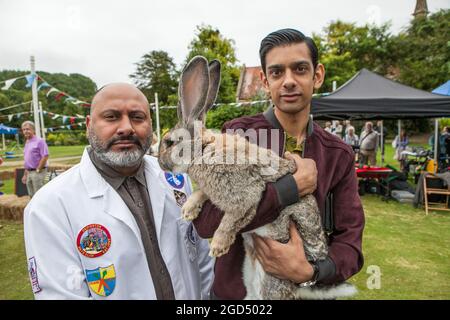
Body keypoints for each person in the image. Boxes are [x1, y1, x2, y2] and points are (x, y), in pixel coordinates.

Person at [193, 28, 364, 299]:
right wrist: (288, 188)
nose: (288, 81)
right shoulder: (236, 135)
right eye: (276, 72)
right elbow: (207, 225)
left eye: (299, 69)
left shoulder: (337, 154)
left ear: (317, 75)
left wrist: (311, 271)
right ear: (264, 80)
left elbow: (350, 242)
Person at [24, 83, 214, 299]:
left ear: (150, 125)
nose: (126, 128)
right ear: (89, 125)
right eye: (111, 117)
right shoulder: (48, 206)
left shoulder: (177, 180)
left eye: (137, 117)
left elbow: (202, 262)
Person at [21, 121, 49, 197]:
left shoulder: (40, 141)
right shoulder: (27, 141)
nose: (25, 131)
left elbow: (45, 156)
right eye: (24, 130)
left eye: (27, 129)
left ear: (33, 130)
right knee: (31, 195)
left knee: (39, 195)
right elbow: (27, 160)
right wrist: (25, 174)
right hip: (29, 172)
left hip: (38, 172)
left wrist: (38, 170)